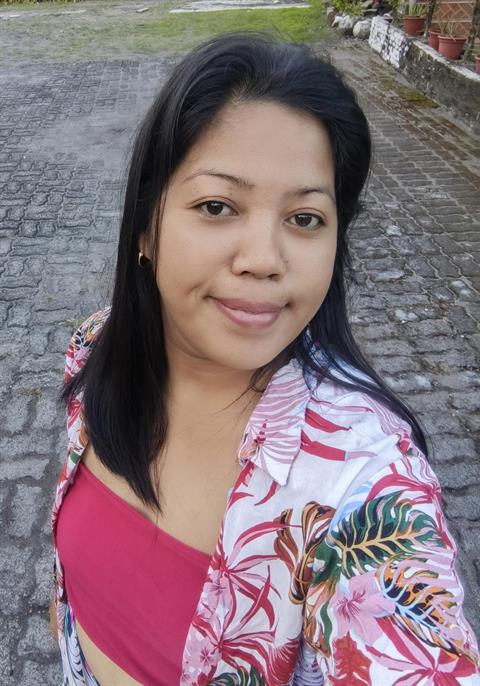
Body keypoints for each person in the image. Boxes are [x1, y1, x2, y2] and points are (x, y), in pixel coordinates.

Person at [50, 31, 480, 686]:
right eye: (217, 207)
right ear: (145, 227)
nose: (263, 259)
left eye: (305, 218)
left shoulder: (364, 486)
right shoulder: (96, 347)